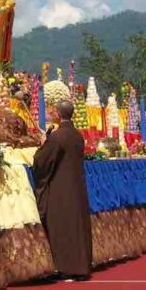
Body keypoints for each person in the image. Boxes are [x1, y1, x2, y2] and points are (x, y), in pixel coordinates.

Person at [33, 100, 92, 279]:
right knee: (76, 226)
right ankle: (81, 265)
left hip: (61, 189)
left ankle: (69, 268)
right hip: (76, 187)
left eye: (52, 111)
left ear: (58, 114)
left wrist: (44, 143)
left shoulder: (58, 137)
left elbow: (42, 162)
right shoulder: (77, 135)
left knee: (63, 226)